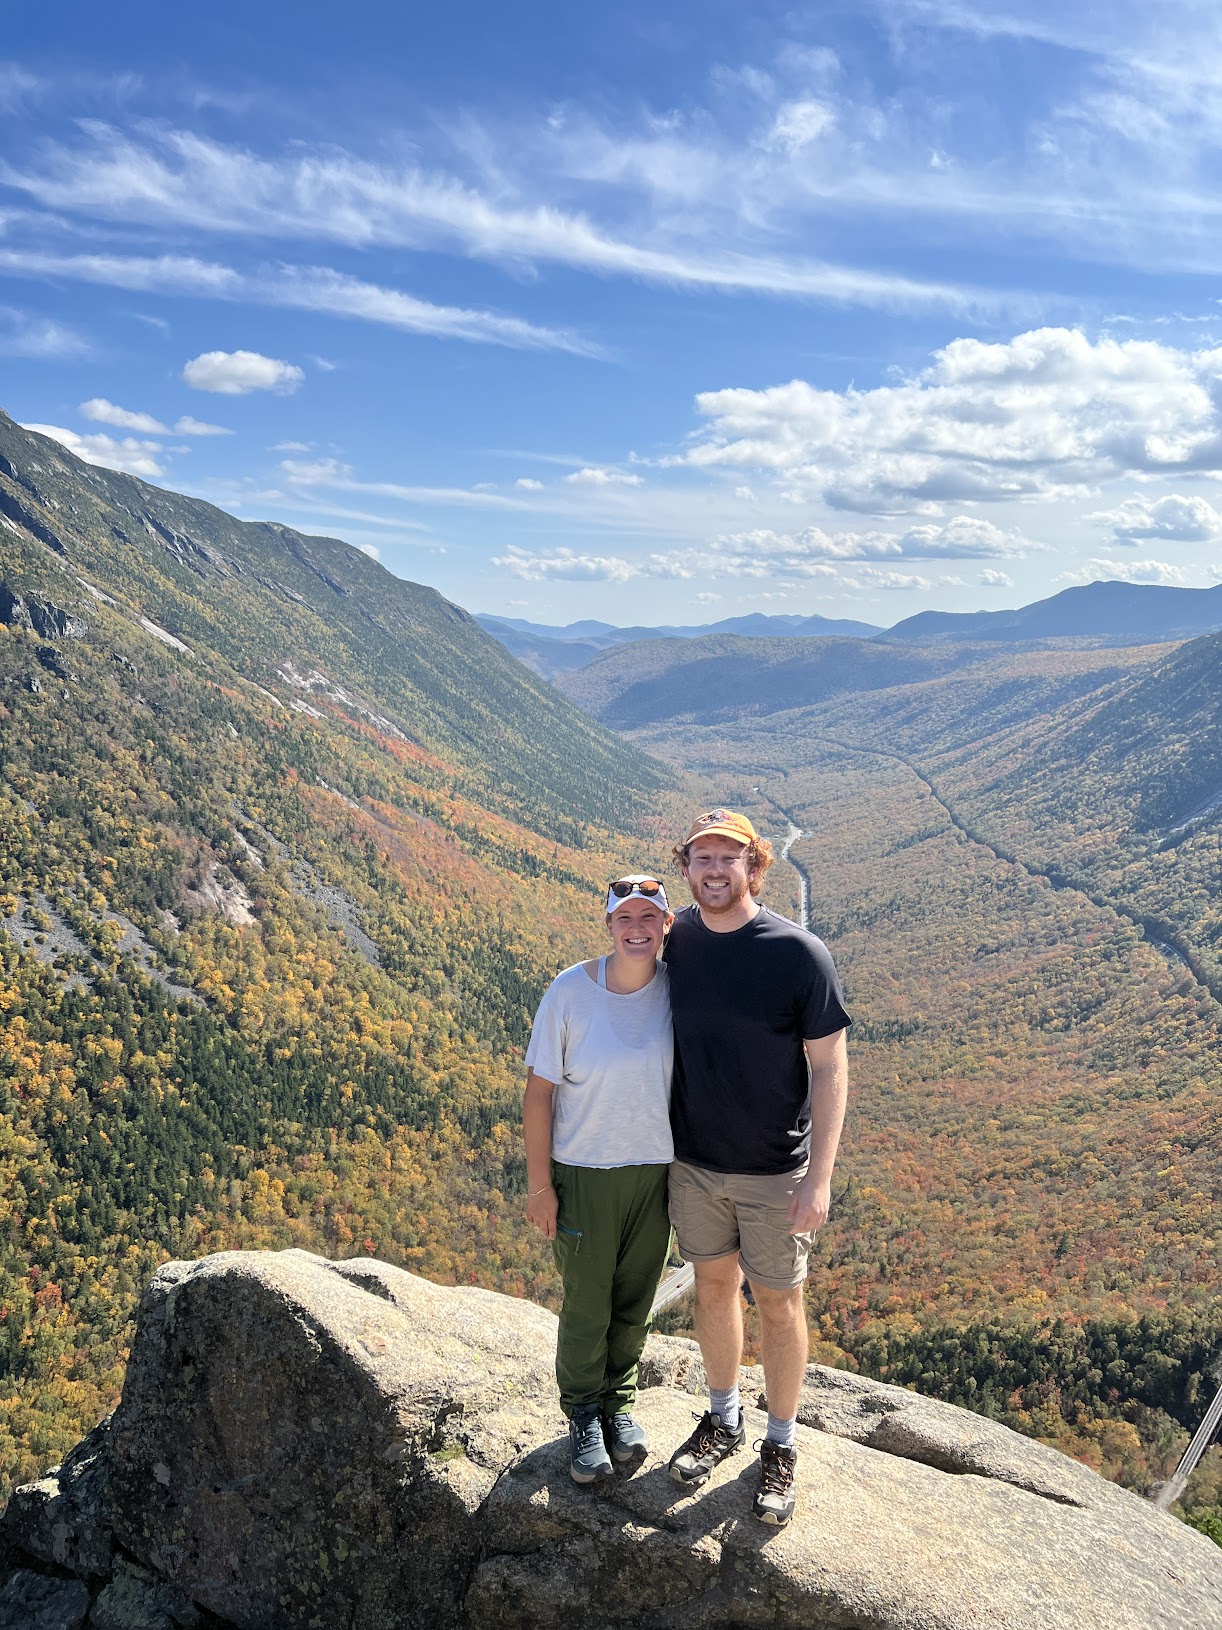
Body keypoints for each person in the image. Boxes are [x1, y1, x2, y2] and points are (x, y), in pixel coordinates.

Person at [663, 809, 850, 1527]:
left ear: (754, 868)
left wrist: (819, 1178)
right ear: (688, 867)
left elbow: (831, 1069)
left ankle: (781, 1443)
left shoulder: (798, 954)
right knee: (713, 1289)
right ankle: (723, 1418)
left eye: (728, 858)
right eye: (702, 858)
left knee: (778, 1303)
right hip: (695, 1164)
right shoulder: (673, 940)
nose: (715, 870)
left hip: (775, 1170)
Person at [523, 874, 676, 1483]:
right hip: (585, 1171)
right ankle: (583, 1413)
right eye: (624, 919)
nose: (636, 929)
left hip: (656, 1172)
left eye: (649, 918)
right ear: (608, 925)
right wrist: (541, 1186)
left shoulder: (677, 989)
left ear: (667, 926)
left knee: (635, 1297)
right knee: (589, 1303)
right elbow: (538, 1096)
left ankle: (620, 1404)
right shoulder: (569, 992)